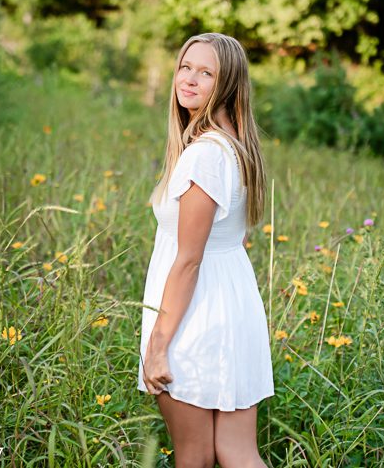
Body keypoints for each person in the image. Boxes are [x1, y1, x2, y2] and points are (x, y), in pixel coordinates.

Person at [138, 33, 274, 468]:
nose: (190, 80)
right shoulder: (234, 147)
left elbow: (189, 258)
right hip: (231, 306)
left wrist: (159, 343)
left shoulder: (204, 156)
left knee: (194, 457)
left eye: (206, 72)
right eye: (185, 67)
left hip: (195, 319)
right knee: (235, 452)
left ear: (227, 84)